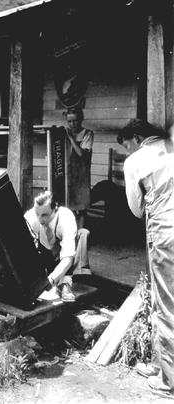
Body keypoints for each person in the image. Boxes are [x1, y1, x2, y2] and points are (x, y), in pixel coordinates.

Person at [118, 118, 174, 397]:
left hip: (164, 231)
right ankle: (160, 364)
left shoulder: (134, 162)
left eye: (127, 145)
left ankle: (169, 382)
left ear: (137, 138)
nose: (128, 151)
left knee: (165, 302)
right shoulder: (170, 146)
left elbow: (136, 209)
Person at [24, 190, 91, 302]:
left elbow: (68, 258)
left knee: (83, 233)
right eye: (38, 214)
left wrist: (52, 279)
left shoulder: (66, 217)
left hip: (63, 255)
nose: (40, 219)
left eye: (45, 215)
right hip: (45, 253)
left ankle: (66, 283)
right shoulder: (30, 216)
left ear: (55, 209)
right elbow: (23, 247)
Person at [64, 107, 94, 228]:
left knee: (81, 208)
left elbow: (81, 154)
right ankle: (71, 233)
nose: (72, 124)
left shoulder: (88, 134)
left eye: (75, 121)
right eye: (69, 121)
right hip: (69, 174)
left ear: (81, 119)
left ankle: (81, 236)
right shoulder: (65, 133)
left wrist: (71, 138)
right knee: (68, 206)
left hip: (81, 175)